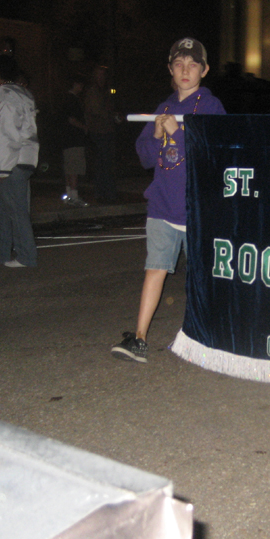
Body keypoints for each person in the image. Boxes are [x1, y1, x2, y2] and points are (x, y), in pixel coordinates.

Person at [111, 38, 226, 363]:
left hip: (198, 210)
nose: (185, 70)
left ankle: (206, 337)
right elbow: (146, 157)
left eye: (192, 64)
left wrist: (177, 133)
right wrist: (160, 134)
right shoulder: (162, 108)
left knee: (201, 275)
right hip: (162, 206)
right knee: (154, 270)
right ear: (170, 70)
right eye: (178, 64)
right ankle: (140, 338)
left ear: (204, 69)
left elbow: (214, 153)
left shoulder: (211, 106)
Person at [0, 52, 40, 268]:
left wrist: (1, 169)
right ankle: (1, 252)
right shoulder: (18, 93)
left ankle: (26, 256)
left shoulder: (3, 96)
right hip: (11, 162)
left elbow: (7, 134)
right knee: (3, 211)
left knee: (16, 211)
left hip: (9, 164)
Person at [84, 65, 119, 204]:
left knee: (106, 163)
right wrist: (110, 115)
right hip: (99, 131)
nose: (101, 77)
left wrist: (115, 115)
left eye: (103, 75)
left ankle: (106, 192)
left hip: (107, 130)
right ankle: (105, 193)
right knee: (102, 163)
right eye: (99, 75)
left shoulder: (105, 91)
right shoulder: (93, 91)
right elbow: (96, 111)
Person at [61, 75, 89, 207]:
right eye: (80, 85)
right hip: (74, 138)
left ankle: (68, 196)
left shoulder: (65, 98)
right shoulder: (72, 99)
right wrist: (84, 127)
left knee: (69, 167)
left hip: (67, 138)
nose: (82, 88)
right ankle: (74, 196)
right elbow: (71, 119)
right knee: (75, 167)